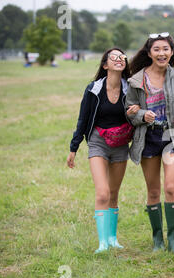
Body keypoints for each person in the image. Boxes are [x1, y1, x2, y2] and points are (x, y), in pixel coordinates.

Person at [125, 33, 174, 255]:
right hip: (148, 139)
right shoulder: (136, 79)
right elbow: (130, 111)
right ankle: (157, 240)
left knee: (171, 187)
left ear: (172, 52)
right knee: (153, 191)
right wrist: (142, 115)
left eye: (166, 49)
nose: (162, 53)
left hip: (171, 137)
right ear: (149, 53)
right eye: (157, 49)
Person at [67, 48, 131, 253]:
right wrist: (73, 148)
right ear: (105, 65)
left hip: (121, 144)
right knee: (102, 193)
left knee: (113, 193)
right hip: (98, 142)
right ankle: (102, 243)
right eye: (114, 57)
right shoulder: (93, 89)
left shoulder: (130, 89)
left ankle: (112, 238)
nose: (119, 60)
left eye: (122, 57)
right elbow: (83, 119)